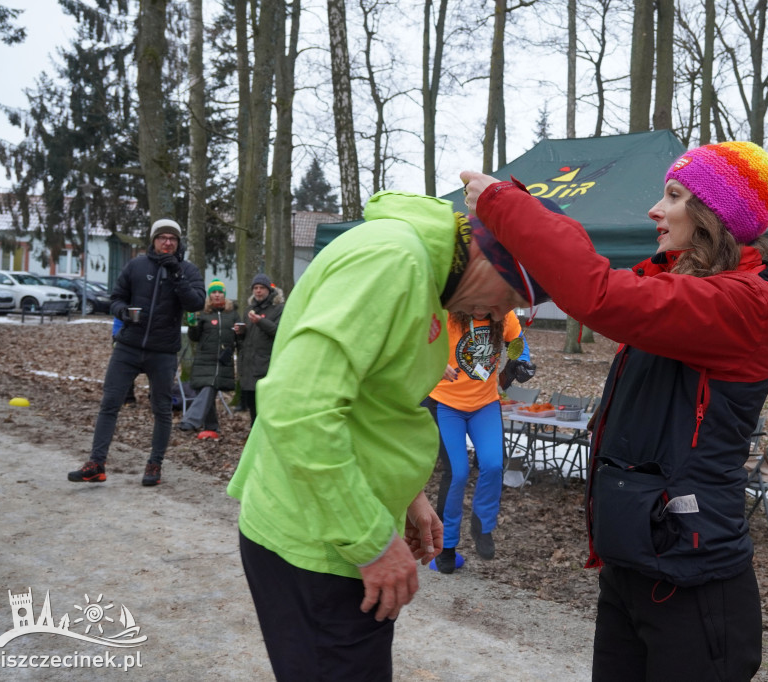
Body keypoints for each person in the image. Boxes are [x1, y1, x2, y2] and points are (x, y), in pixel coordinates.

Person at [461, 140, 768, 681]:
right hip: (635, 562)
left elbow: (596, 294)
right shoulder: (686, 284)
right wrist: (525, 210)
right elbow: (592, 269)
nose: (654, 210)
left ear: (712, 217)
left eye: (673, 196)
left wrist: (505, 205)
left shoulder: (746, 305)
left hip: (693, 581)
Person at [226, 190, 551, 680]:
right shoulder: (394, 261)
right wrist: (372, 541)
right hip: (318, 540)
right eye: (508, 295)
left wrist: (409, 498)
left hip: (338, 528)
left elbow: (373, 401)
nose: (496, 309)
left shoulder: (429, 276)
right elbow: (298, 407)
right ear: (486, 254)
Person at [69, 218, 206, 486]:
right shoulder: (136, 265)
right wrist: (121, 311)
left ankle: (154, 464)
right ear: (153, 240)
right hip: (128, 347)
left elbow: (196, 303)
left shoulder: (188, 270)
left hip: (163, 351)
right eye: (162, 237)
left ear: (179, 243)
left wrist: (176, 274)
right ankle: (96, 464)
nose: (167, 242)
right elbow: (117, 297)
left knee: (162, 409)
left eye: (173, 239)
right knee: (110, 404)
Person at [423, 301, 533, 574]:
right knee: (458, 473)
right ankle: (446, 546)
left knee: (494, 465)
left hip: (485, 404)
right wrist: (433, 364)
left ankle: (482, 526)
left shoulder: (504, 316)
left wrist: (521, 363)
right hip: (445, 404)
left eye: (491, 305)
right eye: (477, 303)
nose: (484, 309)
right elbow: (414, 346)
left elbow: (519, 344)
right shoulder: (446, 315)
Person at [177, 280, 240, 439]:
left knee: (210, 387)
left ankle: (190, 421)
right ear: (209, 295)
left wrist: (239, 334)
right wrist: (192, 326)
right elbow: (195, 337)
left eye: (220, 292)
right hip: (204, 359)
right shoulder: (203, 313)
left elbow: (239, 337)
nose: (217, 295)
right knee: (206, 391)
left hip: (222, 360)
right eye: (213, 292)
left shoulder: (232, 314)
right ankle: (212, 427)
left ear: (224, 295)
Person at [235, 273, 284, 426]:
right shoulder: (249, 309)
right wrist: (240, 332)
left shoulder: (278, 309)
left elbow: (279, 332)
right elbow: (246, 338)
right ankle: (254, 429)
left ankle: (264, 429)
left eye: (262, 288)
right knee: (251, 401)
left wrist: (261, 321)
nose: (258, 291)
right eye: (255, 288)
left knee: (265, 401)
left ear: (269, 290)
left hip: (266, 362)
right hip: (248, 363)